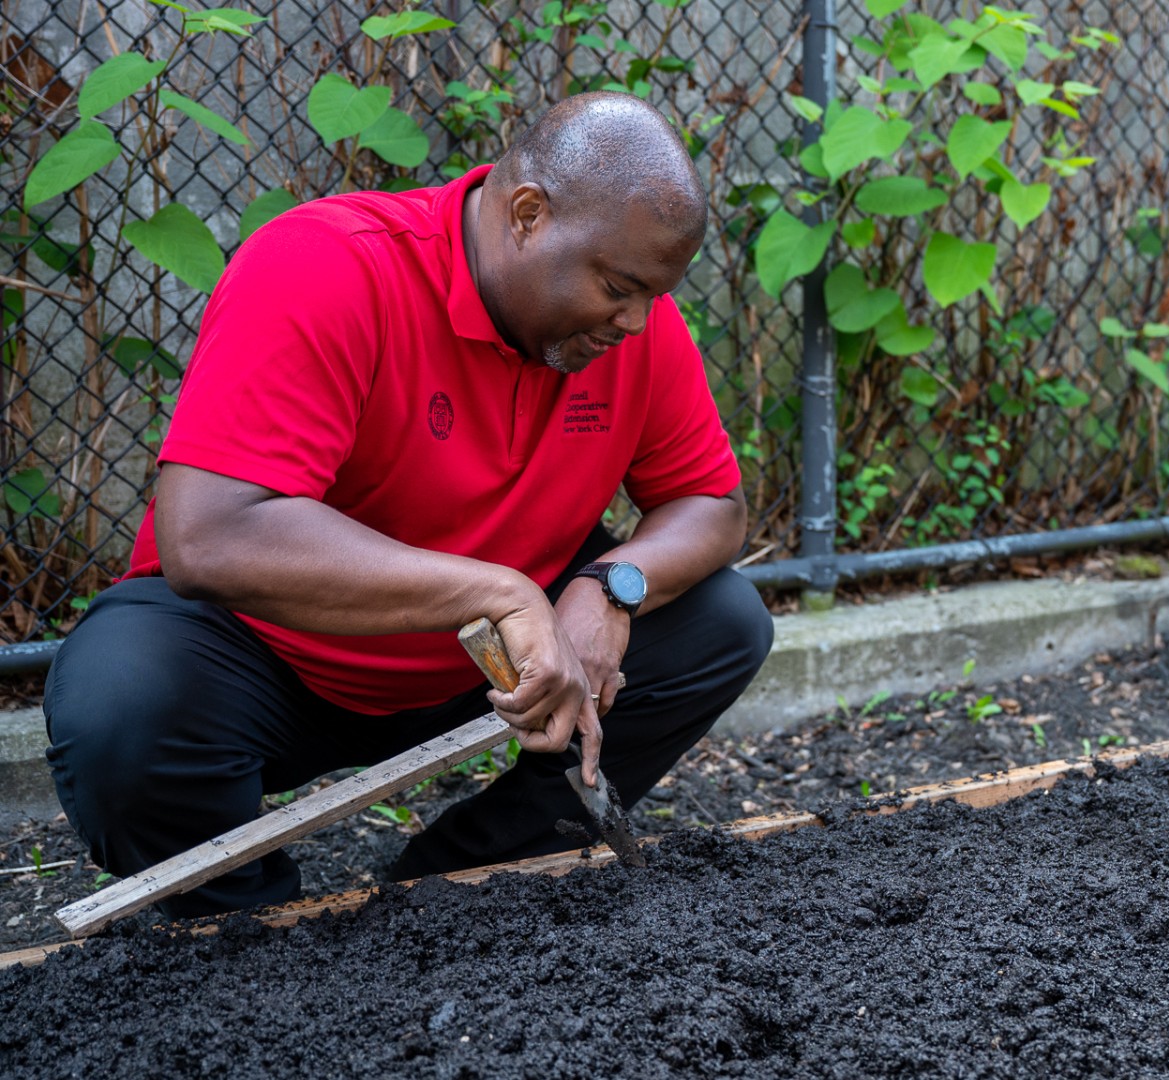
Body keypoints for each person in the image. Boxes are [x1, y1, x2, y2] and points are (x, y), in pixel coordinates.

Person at [41, 92, 773, 917]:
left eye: (655, 296)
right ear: (528, 215)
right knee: (123, 703)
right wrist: (499, 591)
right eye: (618, 287)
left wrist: (607, 586)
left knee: (722, 620)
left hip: (488, 675)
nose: (638, 322)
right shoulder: (327, 266)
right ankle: (243, 933)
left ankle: (469, 879)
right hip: (271, 668)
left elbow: (712, 502)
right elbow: (209, 536)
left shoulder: (631, 330)